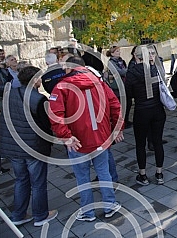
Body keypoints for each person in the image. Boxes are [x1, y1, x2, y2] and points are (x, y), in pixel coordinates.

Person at [49, 56, 123, 221]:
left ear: (69, 68)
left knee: (83, 178)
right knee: (104, 173)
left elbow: (55, 115)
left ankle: (88, 212)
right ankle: (110, 206)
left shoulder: (61, 87)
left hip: (77, 141)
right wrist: (117, 128)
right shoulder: (99, 82)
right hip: (100, 138)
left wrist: (66, 136)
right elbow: (115, 104)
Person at [0, 66, 58, 227]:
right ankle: (40, 215)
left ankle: (18, 214)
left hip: (13, 146)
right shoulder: (38, 99)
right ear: (35, 80)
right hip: (33, 147)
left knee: (21, 180)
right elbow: (46, 126)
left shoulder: (8, 94)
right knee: (38, 182)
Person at [125, 45, 166, 186]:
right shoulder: (155, 70)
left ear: (136, 56)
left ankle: (143, 175)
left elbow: (128, 94)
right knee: (158, 141)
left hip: (141, 111)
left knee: (140, 144)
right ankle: (159, 173)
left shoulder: (131, 73)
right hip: (157, 109)